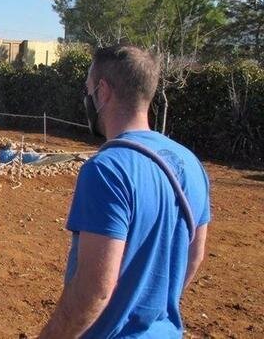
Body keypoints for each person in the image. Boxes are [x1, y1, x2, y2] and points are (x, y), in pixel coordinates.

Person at [39, 45, 210, 338]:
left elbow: (95, 290)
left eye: (88, 88)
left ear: (102, 92)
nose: (87, 97)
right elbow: (194, 257)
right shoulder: (190, 162)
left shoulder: (106, 170)